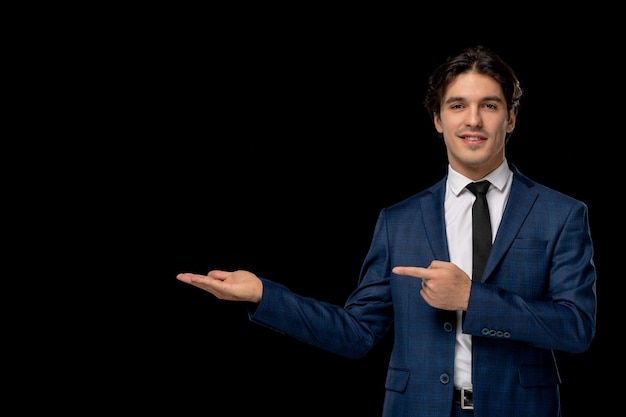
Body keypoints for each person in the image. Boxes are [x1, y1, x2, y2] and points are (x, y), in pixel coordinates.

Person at [176, 45, 597, 417]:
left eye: (489, 105)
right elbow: (357, 333)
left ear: (511, 119)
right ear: (437, 119)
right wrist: (264, 294)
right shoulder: (400, 221)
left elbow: (576, 328)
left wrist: (471, 299)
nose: (473, 120)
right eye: (456, 106)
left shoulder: (561, 214)